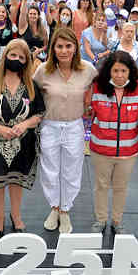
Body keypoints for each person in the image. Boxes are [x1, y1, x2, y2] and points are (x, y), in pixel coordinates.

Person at [0, 39, 45, 239]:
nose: (17, 60)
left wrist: (24, 125)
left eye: (22, 57)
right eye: (13, 55)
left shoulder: (31, 85)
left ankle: (16, 215)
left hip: (22, 143)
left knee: (16, 179)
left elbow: (39, 114)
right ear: (5, 56)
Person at [34, 28, 98, 233]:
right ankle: (54, 208)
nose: (64, 51)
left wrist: (90, 101)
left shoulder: (87, 69)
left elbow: (98, 86)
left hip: (74, 126)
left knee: (71, 170)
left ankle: (65, 210)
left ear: (75, 48)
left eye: (68, 46)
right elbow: (32, 93)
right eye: (59, 46)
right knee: (50, 169)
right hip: (49, 125)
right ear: (53, 48)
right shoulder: (43, 70)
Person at [88, 51, 138, 234]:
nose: (119, 75)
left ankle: (117, 221)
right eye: (115, 71)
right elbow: (88, 111)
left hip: (128, 151)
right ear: (108, 71)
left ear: (130, 72)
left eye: (123, 71)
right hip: (101, 150)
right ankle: (101, 220)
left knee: (121, 188)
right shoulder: (97, 87)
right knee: (101, 186)